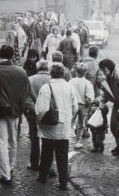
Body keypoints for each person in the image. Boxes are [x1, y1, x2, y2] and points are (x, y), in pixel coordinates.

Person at [0, 45, 31, 185]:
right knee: (13, 140)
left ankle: (5, 174)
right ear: (12, 55)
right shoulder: (21, 71)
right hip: (14, 112)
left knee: (1, 141)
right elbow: (26, 91)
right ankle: (12, 167)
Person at [35, 63, 78, 191]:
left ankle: (42, 177)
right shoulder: (69, 87)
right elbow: (75, 107)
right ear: (63, 73)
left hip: (49, 128)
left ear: (51, 73)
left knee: (46, 154)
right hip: (63, 127)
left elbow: (41, 109)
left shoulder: (46, 87)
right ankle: (63, 182)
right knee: (62, 156)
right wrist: (69, 118)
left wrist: (39, 121)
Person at [26, 60, 51, 171]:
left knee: (34, 139)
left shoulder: (30, 79)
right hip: (49, 112)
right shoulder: (53, 80)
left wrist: (33, 108)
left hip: (33, 112)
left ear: (38, 68)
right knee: (49, 139)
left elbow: (26, 98)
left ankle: (34, 163)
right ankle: (48, 165)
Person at [69, 63, 95, 149]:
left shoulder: (71, 81)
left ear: (76, 72)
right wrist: (89, 106)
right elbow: (89, 98)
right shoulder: (87, 83)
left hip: (72, 104)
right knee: (81, 123)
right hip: (82, 105)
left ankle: (65, 137)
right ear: (86, 72)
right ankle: (78, 141)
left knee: (70, 121)